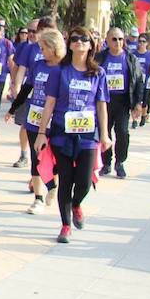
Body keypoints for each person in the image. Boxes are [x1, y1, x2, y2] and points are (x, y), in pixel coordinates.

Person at [35, 28, 109, 243]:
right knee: (66, 180)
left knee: (84, 181)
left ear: (90, 45)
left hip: (87, 135)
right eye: (74, 39)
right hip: (61, 134)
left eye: (83, 39)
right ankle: (65, 225)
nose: (78, 42)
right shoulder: (59, 71)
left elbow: (101, 105)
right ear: (69, 44)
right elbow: (49, 103)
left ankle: (77, 204)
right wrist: (41, 132)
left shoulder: (98, 73)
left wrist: (104, 135)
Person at [6, 27, 64, 214]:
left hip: (55, 120)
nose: (41, 52)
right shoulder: (38, 66)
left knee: (54, 159)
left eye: (43, 48)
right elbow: (27, 88)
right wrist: (13, 108)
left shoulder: (64, 68)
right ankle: (37, 198)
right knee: (35, 157)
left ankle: (52, 185)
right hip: (35, 117)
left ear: (54, 47)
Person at [8, 17, 54, 169]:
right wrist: (17, 87)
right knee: (26, 125)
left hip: (51, 97)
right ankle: (24, 154)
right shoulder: (30, 48)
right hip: (31, 94)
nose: (33, 34)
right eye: (31, 31)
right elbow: (20, 68)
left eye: (36, 31)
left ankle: (45, 164)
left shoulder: (59, 48)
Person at [96, 28, 141, 179]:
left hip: (122, 101)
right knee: (104, 132)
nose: (118, 42)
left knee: (122, 132)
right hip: (104, 101)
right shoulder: (100, 58)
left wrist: (138, 103)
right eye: (114, 39)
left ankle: (120, 162)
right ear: (107, 41)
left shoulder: (130, 59)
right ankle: (106, 162)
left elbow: (138, 81)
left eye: (121, 39)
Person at [133, 34, 150, 127]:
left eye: (143, 41)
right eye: (140, 41)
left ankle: (143, 116)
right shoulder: (134, 54)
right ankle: (134, 119)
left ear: (147, 43)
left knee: (145, 100)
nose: (141, 43)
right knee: (135, 100)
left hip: (146, 80)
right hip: (135, 80)